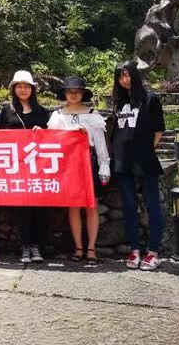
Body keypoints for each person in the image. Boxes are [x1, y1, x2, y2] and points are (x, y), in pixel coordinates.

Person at [0, 70, 50, 264]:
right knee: (21, 205)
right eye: (19, 86)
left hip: (37, 166)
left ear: (33, 89)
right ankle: (24, 245)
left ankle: (37, 245)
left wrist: (44, 132)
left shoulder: (42, 112)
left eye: (26, 86)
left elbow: (52, 136)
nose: (23, 89)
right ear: (14, 89)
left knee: (39, 206)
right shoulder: (7, 110)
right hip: (15, 166)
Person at [47, 76, 110, 266]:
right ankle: (78, 247)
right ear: (64, 94)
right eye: (69, 91)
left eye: (77, 91)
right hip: (67, 163)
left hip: (88, 161)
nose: (73, 94)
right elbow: (53, 140)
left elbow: (100, 144)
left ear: (83, 94)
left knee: (91, 205)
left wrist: (104, 166)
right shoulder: (57, 115)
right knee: (73, 205)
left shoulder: (92, 115)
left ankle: (91, 248)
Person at [111, 61, 166, 271]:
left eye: (127, 75)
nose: (125, 79)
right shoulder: (119, 102)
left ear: (135, 74)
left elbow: (158, 130)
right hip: (122, 162)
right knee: (128, 205)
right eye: (120, 76)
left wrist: (146, 149)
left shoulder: (150, 98)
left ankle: (153, 252)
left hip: (145, 161)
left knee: (152, 205)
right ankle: (134, 250)